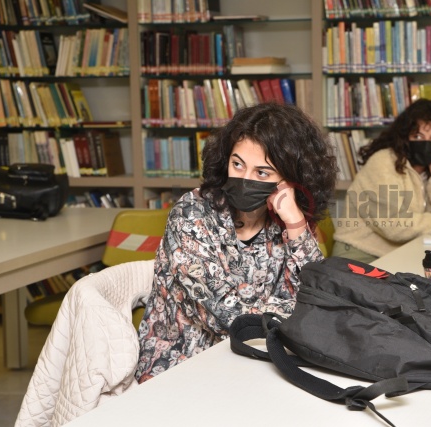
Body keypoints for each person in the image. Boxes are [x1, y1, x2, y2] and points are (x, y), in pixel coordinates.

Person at [135, 103, 338, 383]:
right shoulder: (191, 214)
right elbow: (228, 317)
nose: (244, 180)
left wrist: (295, 224)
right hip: (183, 364)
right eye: (237, 164)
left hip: (260, 360)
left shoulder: (286, 219)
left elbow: (317, 298)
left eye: (262, 173)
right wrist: (285, 309)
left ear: (289, 181)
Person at [332, 98, 431, 263]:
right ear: (404, 137)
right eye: (418, 136)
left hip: (404, 254)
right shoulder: (383, 162)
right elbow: (394, 226)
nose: (426, 143)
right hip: (361, 254)